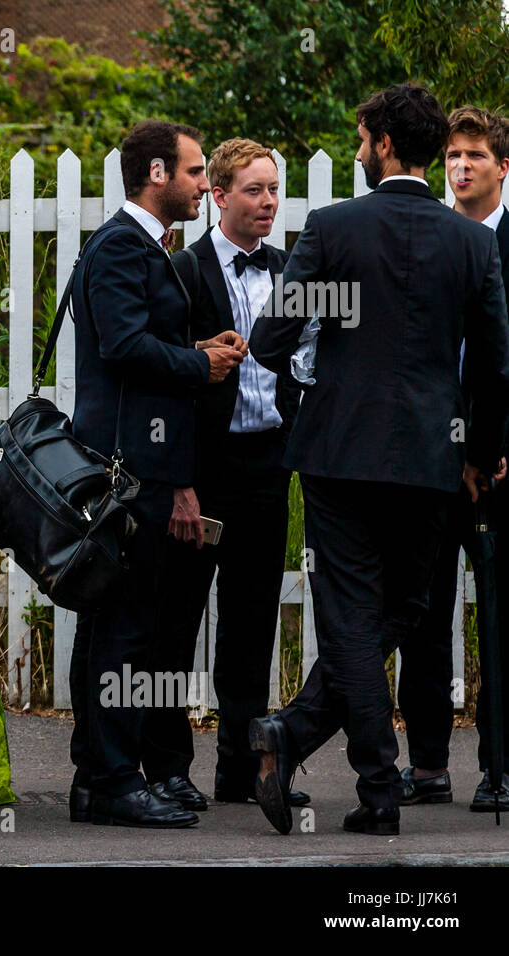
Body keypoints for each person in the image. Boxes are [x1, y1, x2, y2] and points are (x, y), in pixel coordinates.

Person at [248, 83, 509, 836]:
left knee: (360, 615)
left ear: (386, 145)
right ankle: (366, 781)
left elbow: (272, 340)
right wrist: (482, 452)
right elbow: (495, 368)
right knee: (401, 609)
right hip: (434, 459)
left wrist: (326, 343)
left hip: (339, 453)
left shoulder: (334, 227)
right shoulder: (473, 243)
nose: (360, 151)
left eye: (363, 140)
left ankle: (321, 754)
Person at [66, 120, 244, 829]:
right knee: (122, 631)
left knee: (118, 626)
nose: (206, 185)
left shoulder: (139, 246)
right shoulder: (119, 246)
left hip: (139, 469)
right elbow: (124, 346)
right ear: (160, 173)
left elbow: (143, 343)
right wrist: (199, 362)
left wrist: (195, 347)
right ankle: (109, 779)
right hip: (126, 474)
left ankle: (101, 775)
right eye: (199, 173)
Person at [153, 139, 309, 810]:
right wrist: (180, 479)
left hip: (267, 465)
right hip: (201, 472)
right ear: (218, 196)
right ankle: (167, 771)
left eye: (274, 189)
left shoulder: (290, 268)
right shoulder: (183, 272)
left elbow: (307, 360)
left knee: (252, 624)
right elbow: (167, 383)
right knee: (176, 621)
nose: (268, 201)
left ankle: (241, 776)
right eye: (253, 189)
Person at [397, 105, 509, 812]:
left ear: (503, 166)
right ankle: (430, 766)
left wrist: (499, 447)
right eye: (450, 158)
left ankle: (500, 768)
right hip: (433, 460)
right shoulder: (432, 237)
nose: (460, 168)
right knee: (424, 618)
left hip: (501, 465)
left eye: (473, 155)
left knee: (500, 617)